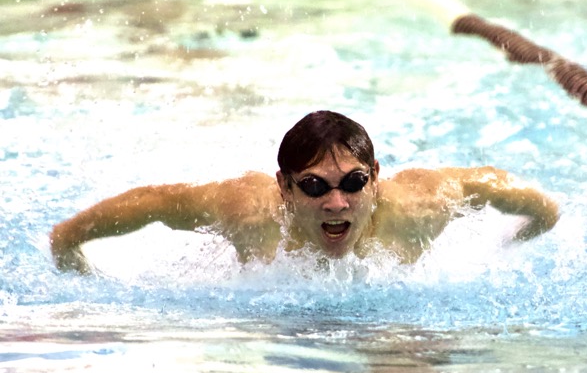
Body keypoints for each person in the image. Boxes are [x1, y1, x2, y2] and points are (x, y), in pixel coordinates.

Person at [50, 110, 559, 274]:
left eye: (354, 184)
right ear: (285, 187)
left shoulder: (420, 206)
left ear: (375, 177)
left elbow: (526, 200)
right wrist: (68, 247)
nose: (336, 203)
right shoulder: (248, 211)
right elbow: (155, 203)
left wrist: (511, 243)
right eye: (314, 187)